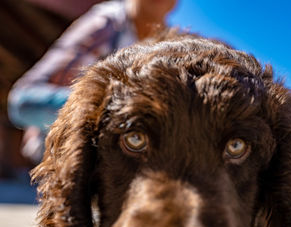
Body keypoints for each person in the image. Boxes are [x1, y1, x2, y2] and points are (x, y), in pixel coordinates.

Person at [7, 0, 177, 162]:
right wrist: (110, 108)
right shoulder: (108, 23)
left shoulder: (170, 46)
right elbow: (22, 100)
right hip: (64, 155)